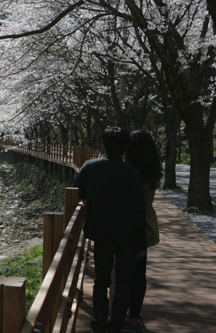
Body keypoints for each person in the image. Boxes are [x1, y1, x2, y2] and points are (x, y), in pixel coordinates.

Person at [73, 126, 147, 333]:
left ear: (103, 146)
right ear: (125, 148)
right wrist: (142, 243)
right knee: (124, 282)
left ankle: (98, 323)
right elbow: (139, 211)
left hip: (101, 233)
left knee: (101, 280)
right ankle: (116, 325)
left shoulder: (90, 167)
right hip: (128, 236)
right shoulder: (132, 174)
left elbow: (75, 190)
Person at [122, 130, 163, 333]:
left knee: (123, 273)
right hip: (146, 226)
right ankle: (135, 316)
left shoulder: (128, 172)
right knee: (140, 274)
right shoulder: (153, 172)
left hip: (127, 227)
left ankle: (121, 314)